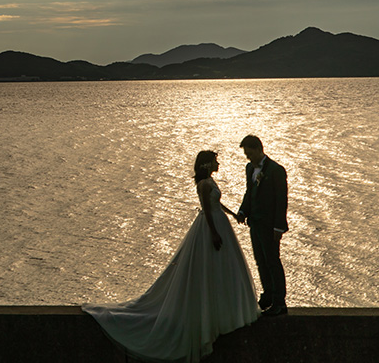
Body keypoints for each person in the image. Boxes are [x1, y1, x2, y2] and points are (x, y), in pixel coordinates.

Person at [83, 151, 259, 363]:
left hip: (220, 222)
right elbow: (206, 209)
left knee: (223, 269)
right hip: (211, 227)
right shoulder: (203, 184)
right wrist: (213, 232)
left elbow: (216, 204)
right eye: (214, 161)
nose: (217, 163)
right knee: (209, 268)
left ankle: (221, 311)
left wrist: (232, 214)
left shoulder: (209, 181)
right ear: (206, 164)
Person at [235, 135, 288, 316]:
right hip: (255, 223)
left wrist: (278, 227)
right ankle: (267, 296)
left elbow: (282, 201)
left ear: (259, 149)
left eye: (250, 154)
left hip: (270, 226)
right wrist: (243, 211)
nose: (248, 158)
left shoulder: (276, 170)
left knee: (272, 261)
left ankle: (279, 301)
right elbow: (250, 193)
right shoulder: (250, 168)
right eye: (246, 154)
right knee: (260, 261)